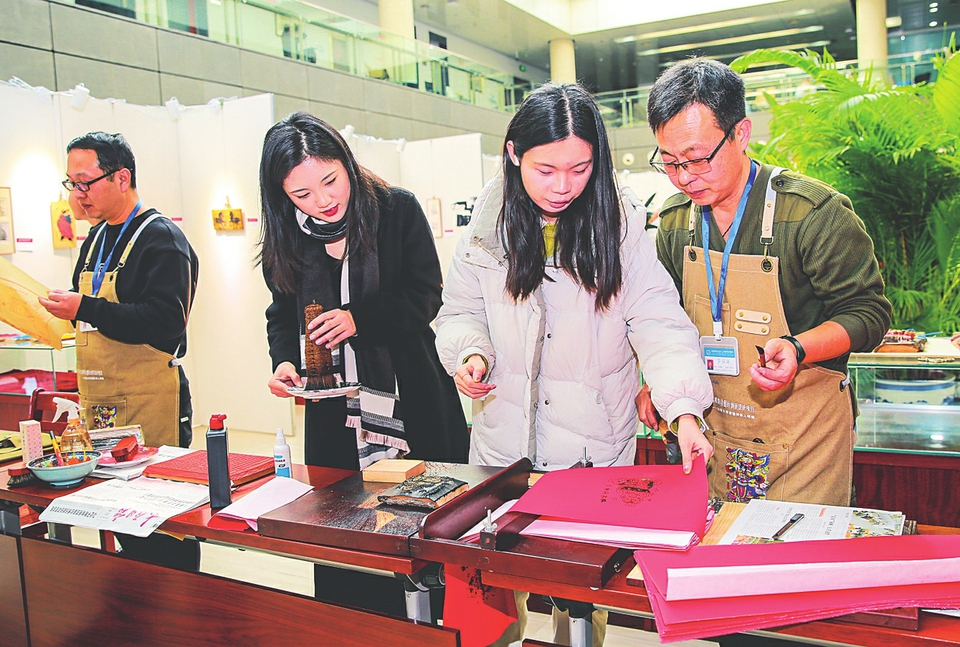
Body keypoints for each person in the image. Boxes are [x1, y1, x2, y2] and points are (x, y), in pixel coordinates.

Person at [435, 83, 714, 646]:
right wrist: (470, 352)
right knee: (492, 595)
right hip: (502, 444)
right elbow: (460, 312)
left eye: (580, 169)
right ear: (514, 154)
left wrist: (683, 408)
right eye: (545, 170)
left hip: (592, 449)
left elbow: (658, 321)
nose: (562, 186)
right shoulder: (486, 229)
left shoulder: (621, 226)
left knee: (580, 601)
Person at [640, 58, 892, 507]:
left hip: (804, 439)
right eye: (671, 162)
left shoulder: (811, 214)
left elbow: (869, 315)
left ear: (740, 133)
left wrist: (797, 349)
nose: (685, 176)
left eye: (698, 158)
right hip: (714, 434)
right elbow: (662, 320)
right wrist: (655, 383)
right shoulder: (676, 223)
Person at [257, 111, 469, 614]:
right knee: (344, 541)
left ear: (347, 163)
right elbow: (282, 312)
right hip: (332, 410)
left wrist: (358, 319)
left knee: (425, 535)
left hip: (411, 398)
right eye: (302, 194)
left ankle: (432, 631)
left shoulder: (395, 210)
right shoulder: (288, 234)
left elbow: (426, 294)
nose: (323, 200)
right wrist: (284, 361)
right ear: (281, 195)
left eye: (330, 181)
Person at [40, 131, 200, 571]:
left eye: (85, 183)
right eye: (71, 183)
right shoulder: (95, 238)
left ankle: (179, 607)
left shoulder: (161, 238)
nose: (77, 194)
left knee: (162, 528)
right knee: (121, 525)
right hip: (102, 404)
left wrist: (84, 307)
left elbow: (166, 322)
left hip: (150, 403)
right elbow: (96, 312)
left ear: (122, 178)